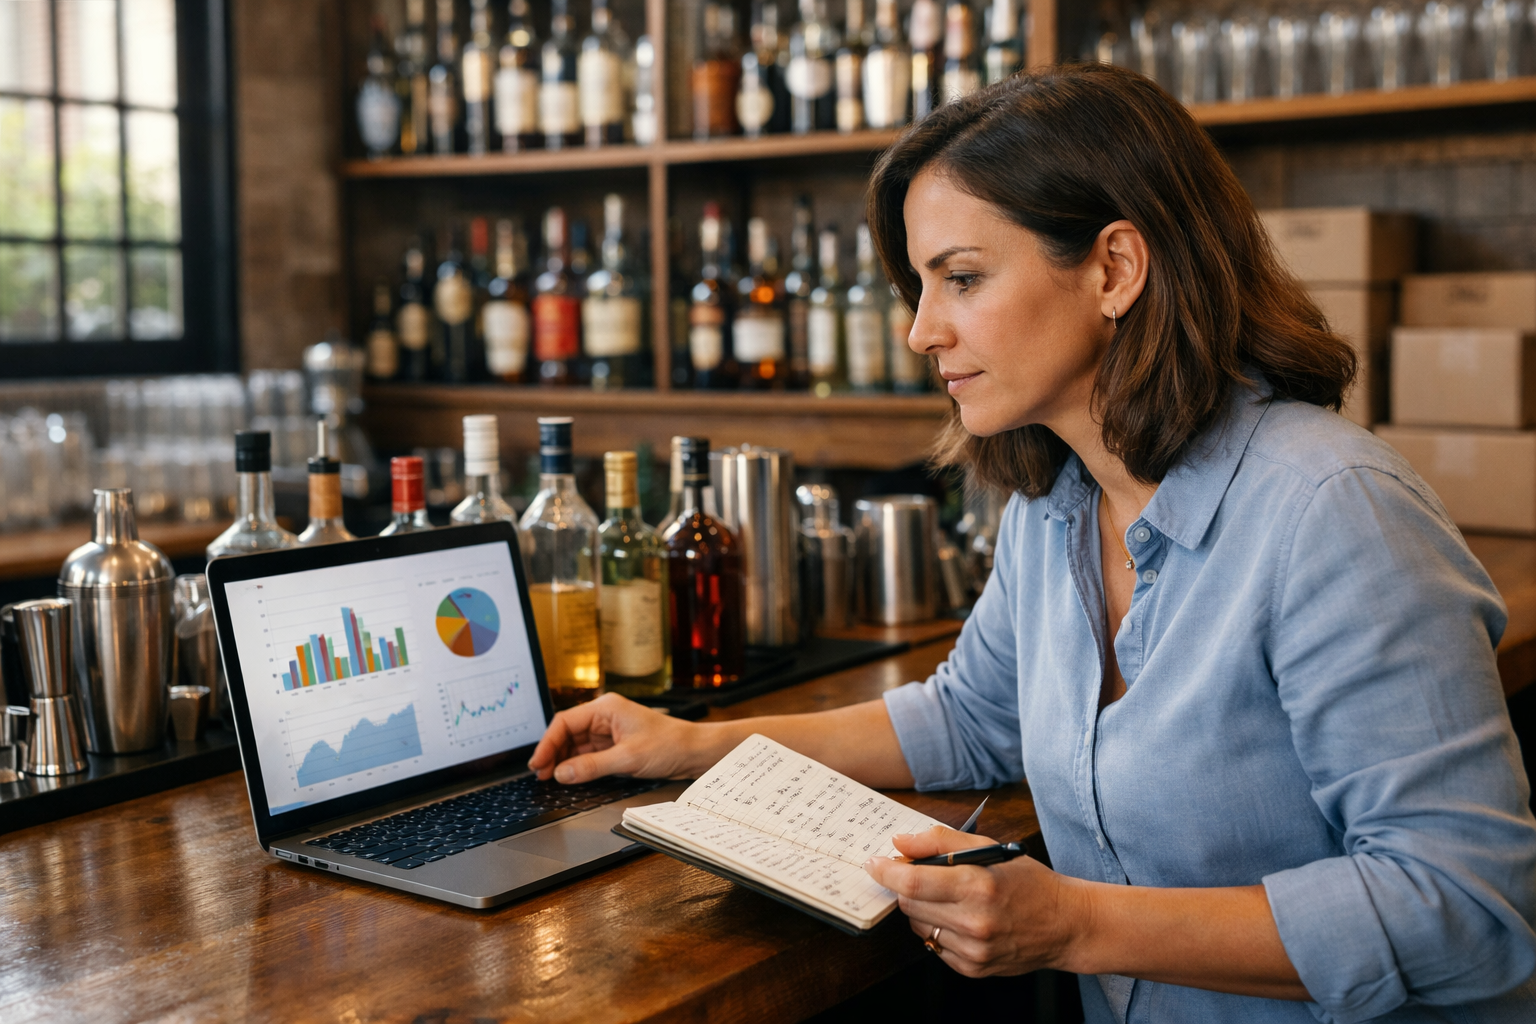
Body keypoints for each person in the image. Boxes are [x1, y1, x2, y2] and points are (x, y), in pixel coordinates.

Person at [530, 63, 1536, 1022]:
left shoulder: (1332, 510)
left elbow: (1468, 908)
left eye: (960, 277)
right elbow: (968, 719)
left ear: (1114, 267)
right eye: (918, 286)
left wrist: (1079, 923)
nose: (922, 330)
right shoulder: (1055, 504)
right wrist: (694, 746)